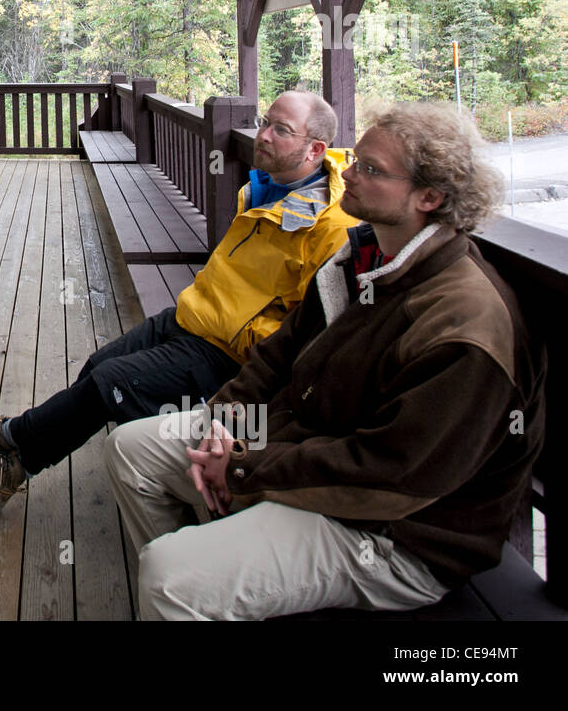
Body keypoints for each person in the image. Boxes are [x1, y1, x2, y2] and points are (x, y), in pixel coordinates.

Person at [103, 102, 545, 620]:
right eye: (356, 159)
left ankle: (202, 585)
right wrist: (224, 422)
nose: (347, 173)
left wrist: (243, 468)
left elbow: (389, 474)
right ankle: (225, 586)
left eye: (371, 170)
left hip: (394, 534)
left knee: (170, 576)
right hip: (301, 448)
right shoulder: (359, 256)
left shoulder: (464, 327)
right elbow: (277, 355)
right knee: (130, 449)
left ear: (430, 196)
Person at [0, 90, 358, 512]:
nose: (263, 135)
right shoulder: (265, 188)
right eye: (265, 122)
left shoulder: (331, 225)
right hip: (192, 316)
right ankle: (9, 445)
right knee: (100, 365)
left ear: (315, 149)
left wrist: (238, 333)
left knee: (110, 383)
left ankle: (11, 458)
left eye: (280, 130)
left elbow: (309, 328)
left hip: (228, 353)